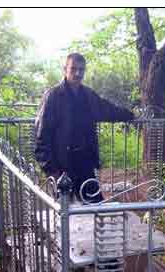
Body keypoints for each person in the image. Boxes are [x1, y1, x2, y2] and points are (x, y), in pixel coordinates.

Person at [34, 53, 134, 203]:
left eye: (81, 70)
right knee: (64, 214)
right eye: (73, 69)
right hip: (61, 165)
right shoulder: (53, 96)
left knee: (95, 207)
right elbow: (41, 135)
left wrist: (131, 116)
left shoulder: (88, 95)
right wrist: (51, 170)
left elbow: (107, 110)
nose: (78, 73)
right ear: (65, 70)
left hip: (84, 161)